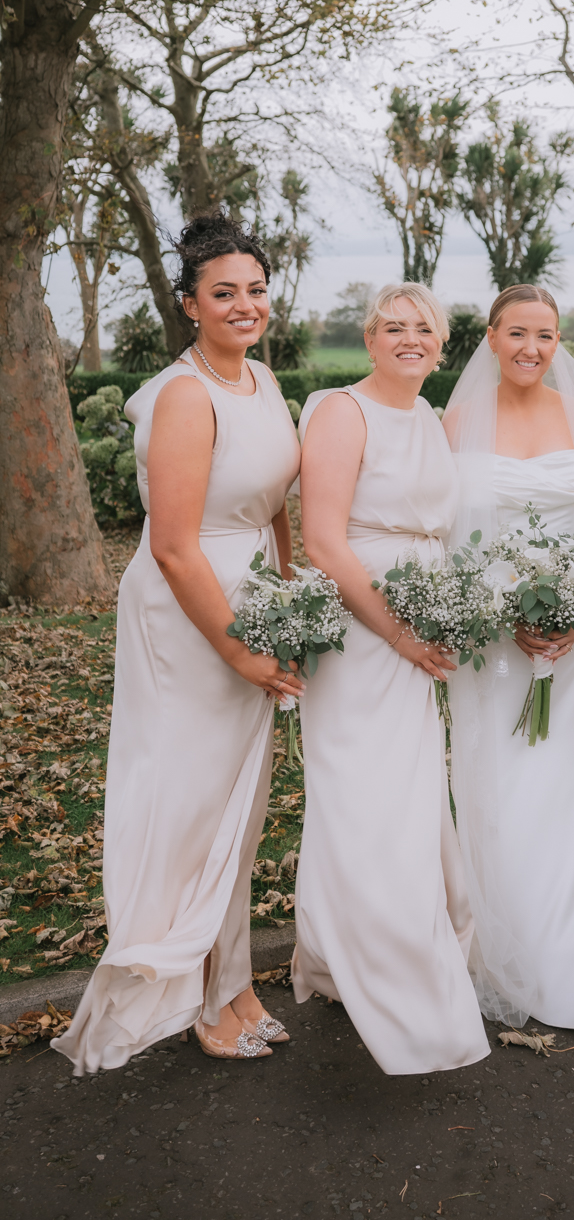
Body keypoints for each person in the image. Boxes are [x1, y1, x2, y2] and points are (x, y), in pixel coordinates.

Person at [54, 215, 303, 1074]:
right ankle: (197, 991)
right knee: (192, 803)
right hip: (188, 615)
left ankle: (229, 974)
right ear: (190, 304)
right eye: (224, 293)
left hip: (254, 601)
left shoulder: (262, 383)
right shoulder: (184, 395)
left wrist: (291, 592)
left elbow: (273, 502)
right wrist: (239, 648)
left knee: (239, 801)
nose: (244, 305)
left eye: (256, 290)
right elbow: (171, 544)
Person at [443, 285, 574, 1031]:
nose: (532, 348)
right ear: (492, 336)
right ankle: (508, 953)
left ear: (559, 342)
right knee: (506, 786)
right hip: (497, 646)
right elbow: (448, 537)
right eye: (518, 333)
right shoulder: (457, 423)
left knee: (573, 792)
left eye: (547, 335)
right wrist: (503, 615)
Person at [294, 282, 489, 1075]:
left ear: (440, 346)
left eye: (425, 329)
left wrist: (440, 617)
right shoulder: (343, 411)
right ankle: (380, 966)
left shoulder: (434, 421)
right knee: (360, 788)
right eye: (394, 327)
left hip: (420, 622)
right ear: (370, 340)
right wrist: (400, 633)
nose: (410, 339)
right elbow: (323, 541)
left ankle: (375, 950)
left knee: (408, 790)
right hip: (362, 626)